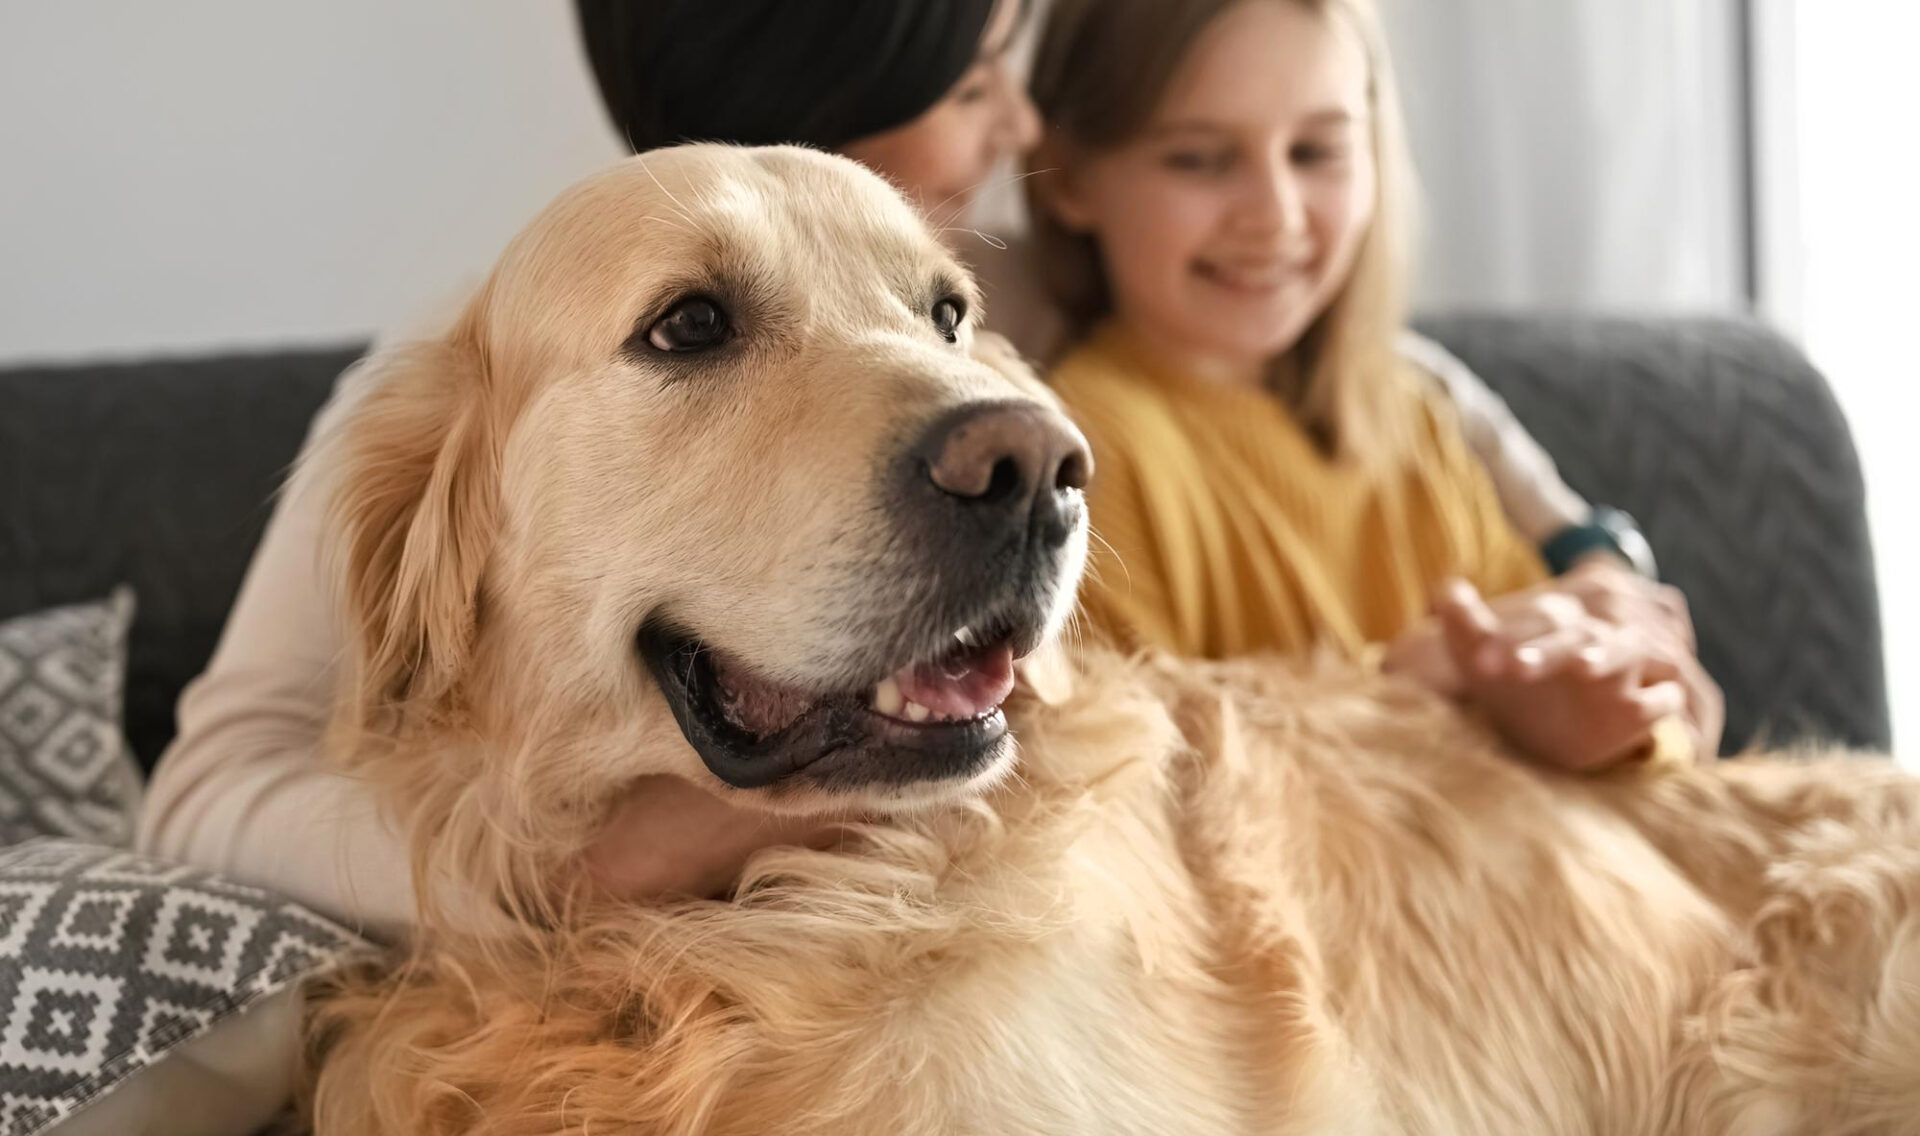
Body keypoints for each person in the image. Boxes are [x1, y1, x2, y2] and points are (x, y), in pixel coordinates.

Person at [137, 0, 1041, 939]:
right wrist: (598, 871)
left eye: (943, 317)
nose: (1022, 126)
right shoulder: (478, 366)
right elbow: (210, 791)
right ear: (820, 71)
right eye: (972, 84)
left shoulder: (1023, 337)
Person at [1024, 0, 1722, 771]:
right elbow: (1132, 790)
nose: (1275, 214)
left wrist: (1618, 719)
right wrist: (1417, 687)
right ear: (1068, 179)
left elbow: (1634, 734)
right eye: (1199, 159)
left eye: (1317, 151)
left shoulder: (1413, 413)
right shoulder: (1088, 449)